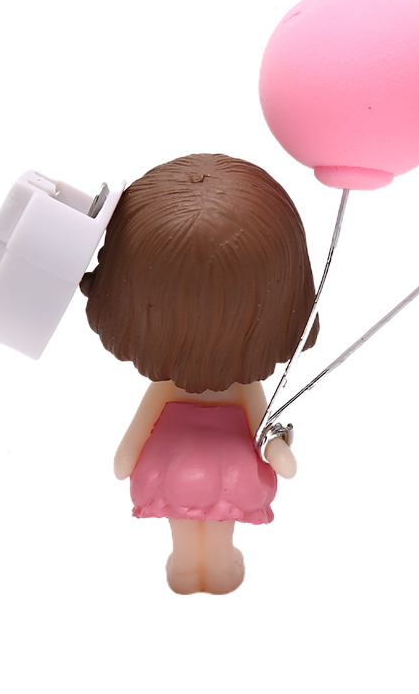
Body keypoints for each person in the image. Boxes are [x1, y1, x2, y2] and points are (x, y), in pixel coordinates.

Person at [80, 153, 318, 594]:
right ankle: (217, 567)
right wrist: (279, 454)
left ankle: (188, 567)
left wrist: (127, 456)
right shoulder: (244, 388)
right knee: (221, 520)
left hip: (172, 457)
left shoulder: (169, 387)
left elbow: (143, 423)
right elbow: (263, 426)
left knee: (184, 521)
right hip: (232, 464)